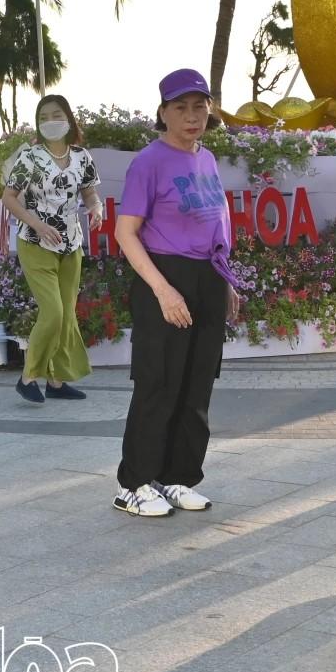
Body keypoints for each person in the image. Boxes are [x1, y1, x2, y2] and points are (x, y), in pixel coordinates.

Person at [110, 70, 241, 518]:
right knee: (158, 385)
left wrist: (224, 281)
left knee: (196, 386)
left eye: (199, 106)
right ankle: (134, 483)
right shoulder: (149, 161)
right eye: (181, 107)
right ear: (162, 112)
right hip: (163, 278)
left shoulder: (205, 160)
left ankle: (177, 477)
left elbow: (214, 224)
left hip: (207, 278)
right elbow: (126, 233)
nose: (192, 116)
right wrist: (163, 290)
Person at [1, 95, 102, 405]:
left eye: (56, 114)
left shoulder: (82, 157)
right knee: (53, 312)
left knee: (66, 315)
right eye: (43, 117)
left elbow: (89, 193)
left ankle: (56, 382)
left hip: (71, 244)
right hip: (35, 243)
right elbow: (9, 197)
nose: (50, 121)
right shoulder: (30, 158)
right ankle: (28, 376)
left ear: (68, 118)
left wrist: (96, 208)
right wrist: (39, 224)